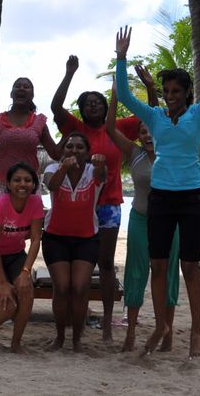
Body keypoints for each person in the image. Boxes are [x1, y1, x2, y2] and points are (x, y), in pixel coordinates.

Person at [116, 22, 200, 357]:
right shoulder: (155, 117)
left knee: (190, 267)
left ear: (187, 93)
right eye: (166, 91)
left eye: (176, 91)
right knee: (158, 266)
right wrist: (121, 59)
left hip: (192, 198)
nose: (170, 95)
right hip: (161, 198)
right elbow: (126, 96)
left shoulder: (198, 114)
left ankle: (197, 329)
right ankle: (161, 325)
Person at [106, 85, 200, 352]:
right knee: (137, 273)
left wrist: (185, 120)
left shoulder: (172, 150)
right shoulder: (135, 154)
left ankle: (167, 333)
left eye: (150, 131)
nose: (147, 134)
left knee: (169, 275)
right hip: (141, 219)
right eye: (142, 131)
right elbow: (110, 129)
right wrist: (115, 95)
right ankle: (131, 333)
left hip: (173, 217)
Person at [50, 56, 154, 339]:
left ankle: (108, 322)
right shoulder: (76, 130)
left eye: (97, 102)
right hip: (78, 206)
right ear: (82, 110)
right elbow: (56, 107)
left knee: (105, 264)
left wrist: (149, 88)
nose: (92, 105)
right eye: (87, 103)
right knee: (79, 263)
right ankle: (77, 318)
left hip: (109, 204)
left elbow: (151, 117)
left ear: (106, 106)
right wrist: (69, 73)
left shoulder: (119, 127)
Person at [42, 134, 107, 351]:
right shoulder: (52, 169)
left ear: (87, 152)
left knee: (79, 288)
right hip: (55, 237)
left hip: (86, 238)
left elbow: (102, 176)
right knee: (61, 287)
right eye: (69, 146)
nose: (74, 150)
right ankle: (60, 337)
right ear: (63, 151)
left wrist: (100, 164)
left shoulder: (93, 170)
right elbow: (52, 186)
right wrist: (64, 168)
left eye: (80, 147)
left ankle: (77, 339)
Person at [0, 163, 45, 353]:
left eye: (27, 180)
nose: (22, 184)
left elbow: (36, 240)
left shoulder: (36, 203)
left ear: (34, 184)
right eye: (17, 180)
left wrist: (25, 272)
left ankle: (16, 343)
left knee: (27, 295)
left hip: (16, 255)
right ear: (8, 184)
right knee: (9, 305)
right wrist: (2, 282)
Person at [0, 77, 61, 202]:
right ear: (11, 94)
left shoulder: (39, 121)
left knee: (31, 215)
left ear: (32, 95)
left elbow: (55, 153)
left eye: (26, 87)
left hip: (29, 183)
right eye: (17, 86)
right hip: (1, 182)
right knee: (3, 216)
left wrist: (66, 131)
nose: (21, 88)